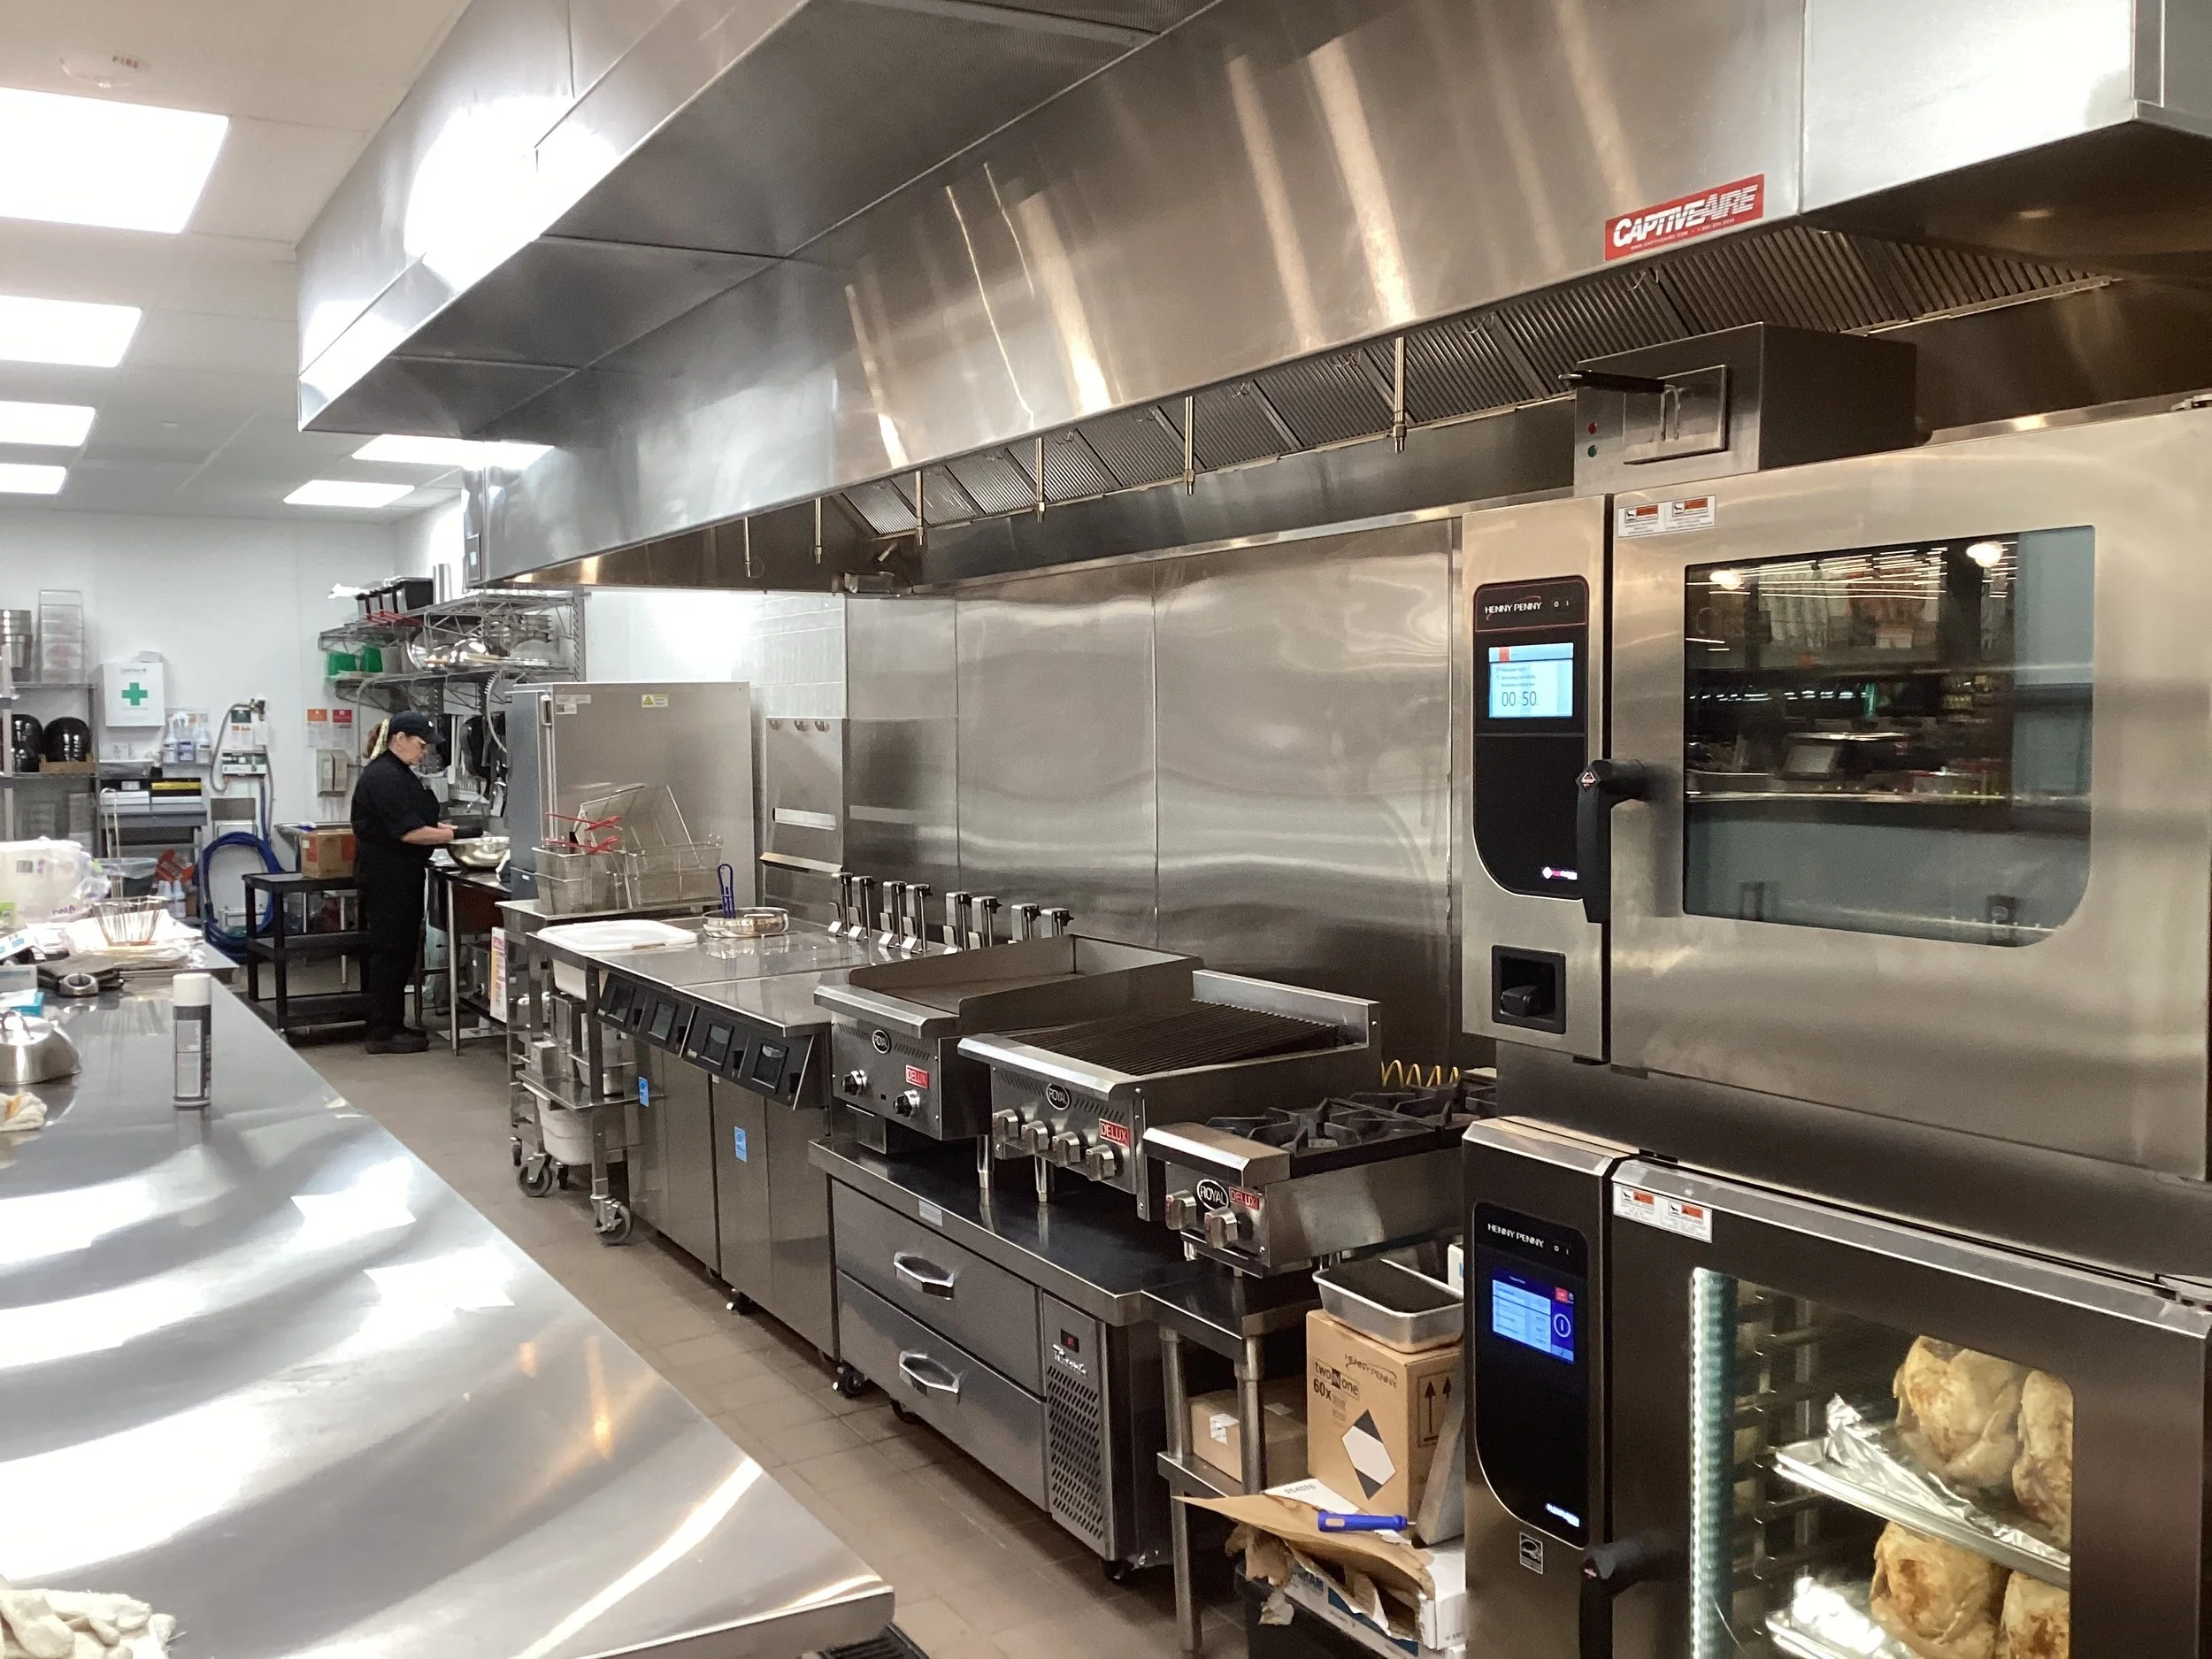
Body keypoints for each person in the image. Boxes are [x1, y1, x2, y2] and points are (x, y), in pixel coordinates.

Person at [350, 711, 473, 1054]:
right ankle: (382, 1032)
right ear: (399, 738)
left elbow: (416, 820)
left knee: (402, 950)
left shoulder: (398, 773)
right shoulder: (384, 777)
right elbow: (409, 832)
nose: (424, 752)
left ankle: (392, 1024)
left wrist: (449, 830)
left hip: (400, 875)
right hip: (386, 878)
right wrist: (456, 835)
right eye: (421, 745)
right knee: (390, 952)